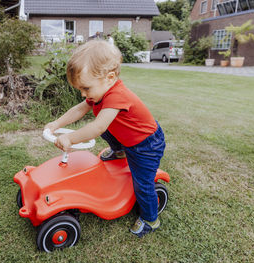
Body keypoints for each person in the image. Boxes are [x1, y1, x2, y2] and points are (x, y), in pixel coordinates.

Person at [44, 40, 166, 238]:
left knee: (142, 184)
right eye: (80, 90)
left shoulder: (117, 95)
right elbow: (78, 109)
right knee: (105, 127)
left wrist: (70, 138)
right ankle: (119, 151)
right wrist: (56, 124)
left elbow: (97, 127)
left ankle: (151, 219)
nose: (84, 94)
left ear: (110, 78)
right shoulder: (99, 93)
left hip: (146, 146)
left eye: (86, 88)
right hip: (128, 138)